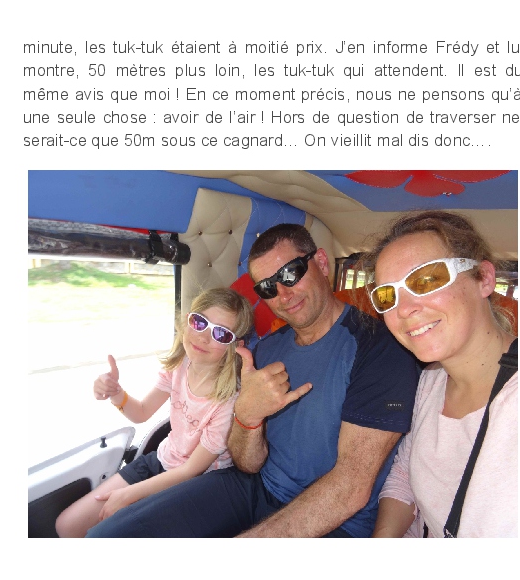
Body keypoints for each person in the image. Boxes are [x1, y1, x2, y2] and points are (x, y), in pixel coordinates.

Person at [85, 223, 419, 538]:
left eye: (290, 273)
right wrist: (247, 417)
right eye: (268, 287)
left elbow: (350, 489)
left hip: (337, 522)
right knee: (108, 535)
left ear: (320, 262)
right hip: (253, 487)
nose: (283, 294)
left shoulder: (380, 349)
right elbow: (247, 464)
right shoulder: (263, 351)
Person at [365, 211, 517, 538]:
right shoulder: (431, 381)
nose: (403, 309)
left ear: (484, 279)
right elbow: (405, 475)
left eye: (427, 280)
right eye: (387, 295)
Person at [55, 287, 254, 537]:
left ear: (236, 346)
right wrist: (116, 393)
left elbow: (191, 470)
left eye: (221, 334)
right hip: (162, 460)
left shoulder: (228, 401)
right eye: (199, 322)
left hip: (196, 482)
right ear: (187, 321)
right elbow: (141, 412)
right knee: (67, 526)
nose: (204, 337)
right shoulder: (180, 366)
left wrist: (128, 494)